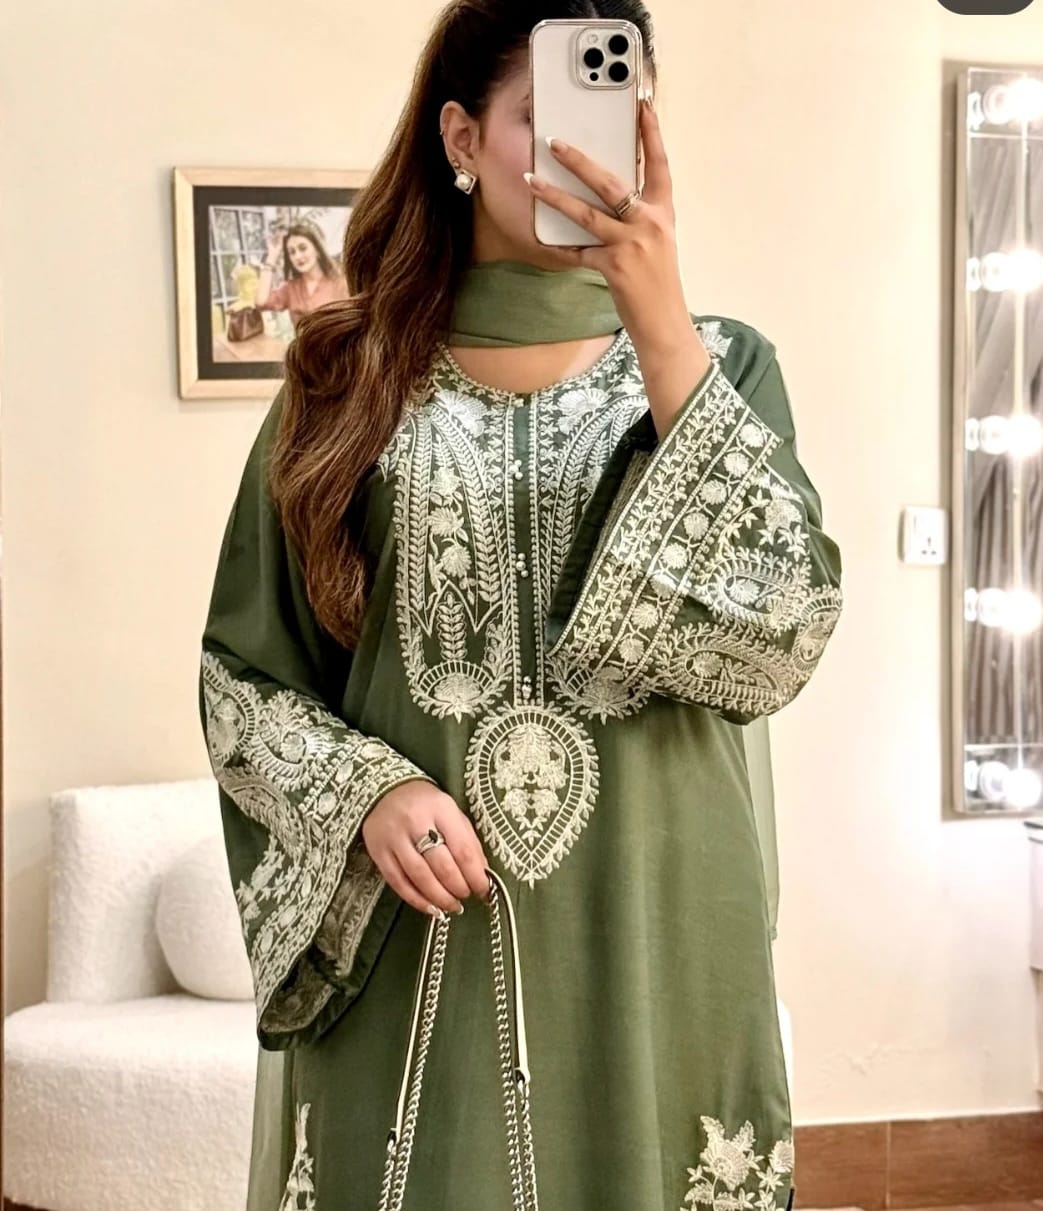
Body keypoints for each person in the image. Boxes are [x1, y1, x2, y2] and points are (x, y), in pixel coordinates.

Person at [197, 2, 844, 1208]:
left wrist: (661, 323)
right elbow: (243, 676)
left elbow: (782, 638)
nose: (592, 153)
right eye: (549, 118)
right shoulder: (342, 383)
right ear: (461, 137)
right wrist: (366, 792)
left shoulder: (721, 367)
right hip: (419, 935)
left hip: (658, 927)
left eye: (622, 116)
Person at [255, 221, 349, 327]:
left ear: (317, 250)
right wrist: (272, 257)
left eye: (303, 248)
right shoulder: (290, 289)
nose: (298, 256)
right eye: (292, 252)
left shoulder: (340, 283)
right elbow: (261, 302)